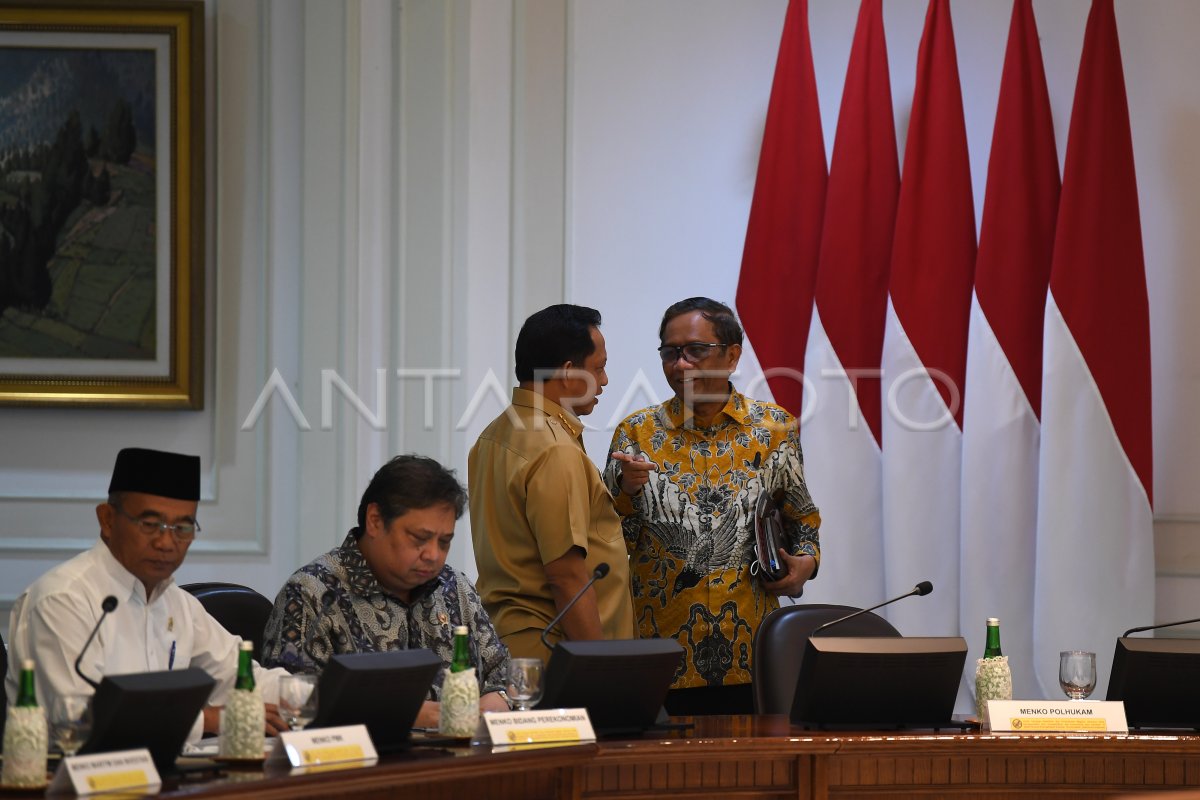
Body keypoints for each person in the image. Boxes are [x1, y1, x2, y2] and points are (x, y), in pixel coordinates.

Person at [604, 297, 821, 715]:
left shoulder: (774, 429)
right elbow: (610, 540)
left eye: (695, 350)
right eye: (670, 352)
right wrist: (626, 492)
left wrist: (805, 562)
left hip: (753, 656)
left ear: (732, 354)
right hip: (660, 654)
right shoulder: (636, 433)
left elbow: (802, 519)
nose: (680, 364)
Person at [6, 447, 288, 741]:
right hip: (66, 779)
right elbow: (77, 720)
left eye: (182, 527)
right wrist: (209, 720)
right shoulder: (61, 600)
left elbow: (239, 678)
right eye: (151, 525)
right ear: (107, 520)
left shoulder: (176, 604)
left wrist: (312, 695)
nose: (167, 542)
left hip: (165, 775)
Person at [261, 455, 510, 726]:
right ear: (375, 521)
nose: (433, 555)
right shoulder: (312, 594)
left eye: (444, 542)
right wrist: (407, 714)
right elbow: (291, 704)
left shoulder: (455, 588)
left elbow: (504, 672)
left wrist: (497, 700)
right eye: (419, 539)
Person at [468, 304, 636, 662]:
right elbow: (567, 578)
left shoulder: (493, 435)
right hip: (556, 655)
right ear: (567, 370)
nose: (605, 381)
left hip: (510, 645)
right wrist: (600, 672)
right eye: (599, 368)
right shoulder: (554, 448)